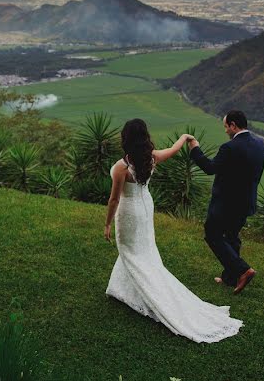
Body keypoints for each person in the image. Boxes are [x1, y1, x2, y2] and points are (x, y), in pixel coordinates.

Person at [104, 118, 243, 343]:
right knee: (143, 252)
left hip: (129, 212)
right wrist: (185, 138)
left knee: (131, 253)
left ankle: (150, 294)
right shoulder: (151, 157)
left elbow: (113, 199)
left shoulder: (122, 166)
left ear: (126, 138)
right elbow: (174, 149)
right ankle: (121, 289)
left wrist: (107, 223)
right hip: (146, 209)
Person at [188, 110, 264, 294]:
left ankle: (243, 270)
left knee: (212, 234)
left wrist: (195, 149)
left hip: (226, 203)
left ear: (233, 125)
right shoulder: (260, 144)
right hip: (246, 202)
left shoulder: (229, 147)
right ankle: (230, 278)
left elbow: (209, 168)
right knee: (231, 237)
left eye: (226, 127)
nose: (225, 131)